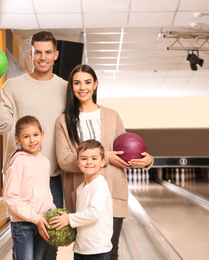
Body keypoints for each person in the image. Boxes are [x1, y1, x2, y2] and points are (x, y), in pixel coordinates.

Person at [0, 31, 67, 259]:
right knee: (24, 244)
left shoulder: (66, 89)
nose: (43, 57)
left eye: (48, 52)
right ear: (31, 54)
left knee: (49, 249)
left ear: (56, 54)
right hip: (22, 178)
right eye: (38, 52)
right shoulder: (13, 86)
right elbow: (1, 125)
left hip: (53, 179)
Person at [55, 64, 154, 260]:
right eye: (77, 83)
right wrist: (104, 157)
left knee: (112, 250)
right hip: (82, 196)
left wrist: (148, 160)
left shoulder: (112, 115)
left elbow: (127, 151)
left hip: (112, 192)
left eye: (87, 82)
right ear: (71, 87)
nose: (82, 87)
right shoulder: (63, 121)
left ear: (95, 84)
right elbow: (65, 161)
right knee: (86, 250)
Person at [50, 140, 113, 260]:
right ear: (78, 163)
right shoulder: (80, 188)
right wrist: (73, 235)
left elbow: (94, 213)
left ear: (103, 162)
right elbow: (81, 217)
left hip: (98, 249)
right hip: (81, 247)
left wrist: (68, 218)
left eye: (94, 158)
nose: (89, 162)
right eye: (84, 159)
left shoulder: (100, 185)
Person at [4, 116, 55, 260]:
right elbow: (11, 198)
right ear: (18, 139)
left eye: (36, 135)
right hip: (23, 224)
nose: (32, 140)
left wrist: (53, 212)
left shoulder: (45, 162)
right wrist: (35, 218)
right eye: (26, 136)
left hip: (42, 221)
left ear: (42, 135)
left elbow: (45, 193)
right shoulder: (19, 162)